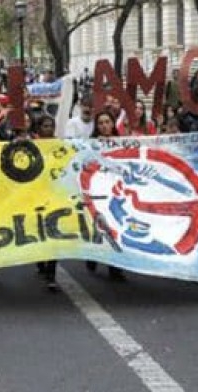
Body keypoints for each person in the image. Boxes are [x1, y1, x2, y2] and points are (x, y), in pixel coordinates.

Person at [85, 111, 127, 282]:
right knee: (98, 226)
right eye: (100, 123)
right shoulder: (90, 145)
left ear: (113, 124)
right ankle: (93, 256)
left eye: (107, 122)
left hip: (115, 192)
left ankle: (115, 267)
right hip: (97, 191)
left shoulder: (122, 143)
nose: (104, 126)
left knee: (116, 227)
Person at [32, 115, 60, 292]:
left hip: (55, 194)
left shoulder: (59, 145)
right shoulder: (32, 147)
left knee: (54, 232)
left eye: (51, 126)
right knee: (39, 230)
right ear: (38, 129)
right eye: (45, 126)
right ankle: (40, 260)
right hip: (36, 195)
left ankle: (51, 273)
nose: (48, 129)